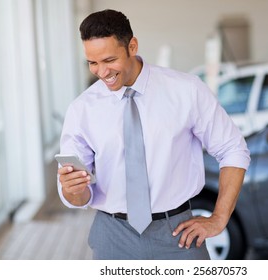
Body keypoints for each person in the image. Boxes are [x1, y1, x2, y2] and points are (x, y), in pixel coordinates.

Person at [57, 9, 250, 260]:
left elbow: (233, 149)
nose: (102, 72)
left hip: (178, 234)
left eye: (109, 60)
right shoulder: (82, 109)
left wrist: (219, 218)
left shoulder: (186, 90)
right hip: (113, 237)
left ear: (132, 46)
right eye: (93, 63)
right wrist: (73, 189)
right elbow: (80, 195)